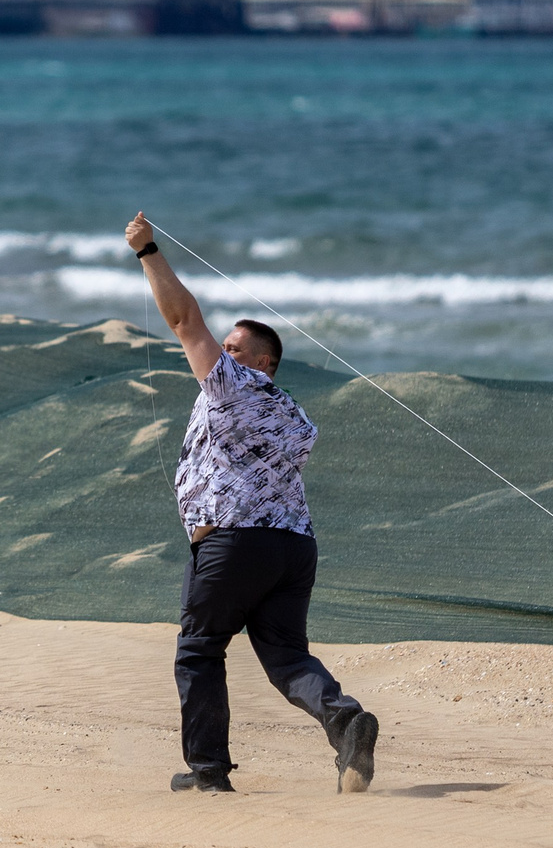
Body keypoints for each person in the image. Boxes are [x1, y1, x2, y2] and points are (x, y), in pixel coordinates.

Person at [125, 210, 379, 794]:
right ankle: (346, 721)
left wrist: (147, 253)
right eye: (226, 348)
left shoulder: (234, 384)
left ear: (264, 363)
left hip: (234, 540)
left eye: (235, 348)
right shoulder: (296, 412)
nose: (222, 353)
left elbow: (185, 320)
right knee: (287, 656)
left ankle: (208, 773)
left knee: (198, 649)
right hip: (293, 548)